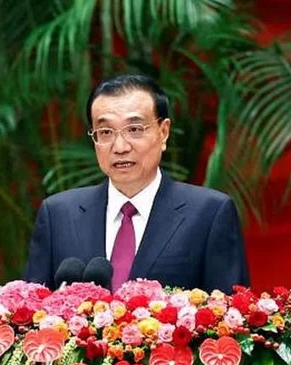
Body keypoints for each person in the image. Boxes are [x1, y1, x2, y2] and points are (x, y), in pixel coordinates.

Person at [22, 73, 250, 292]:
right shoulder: (58, 215)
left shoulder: (209, 213)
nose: (120, 147)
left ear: (163, 132)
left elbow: (229, 313)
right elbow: (30, 310)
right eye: (105, 132)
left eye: (134, 129)